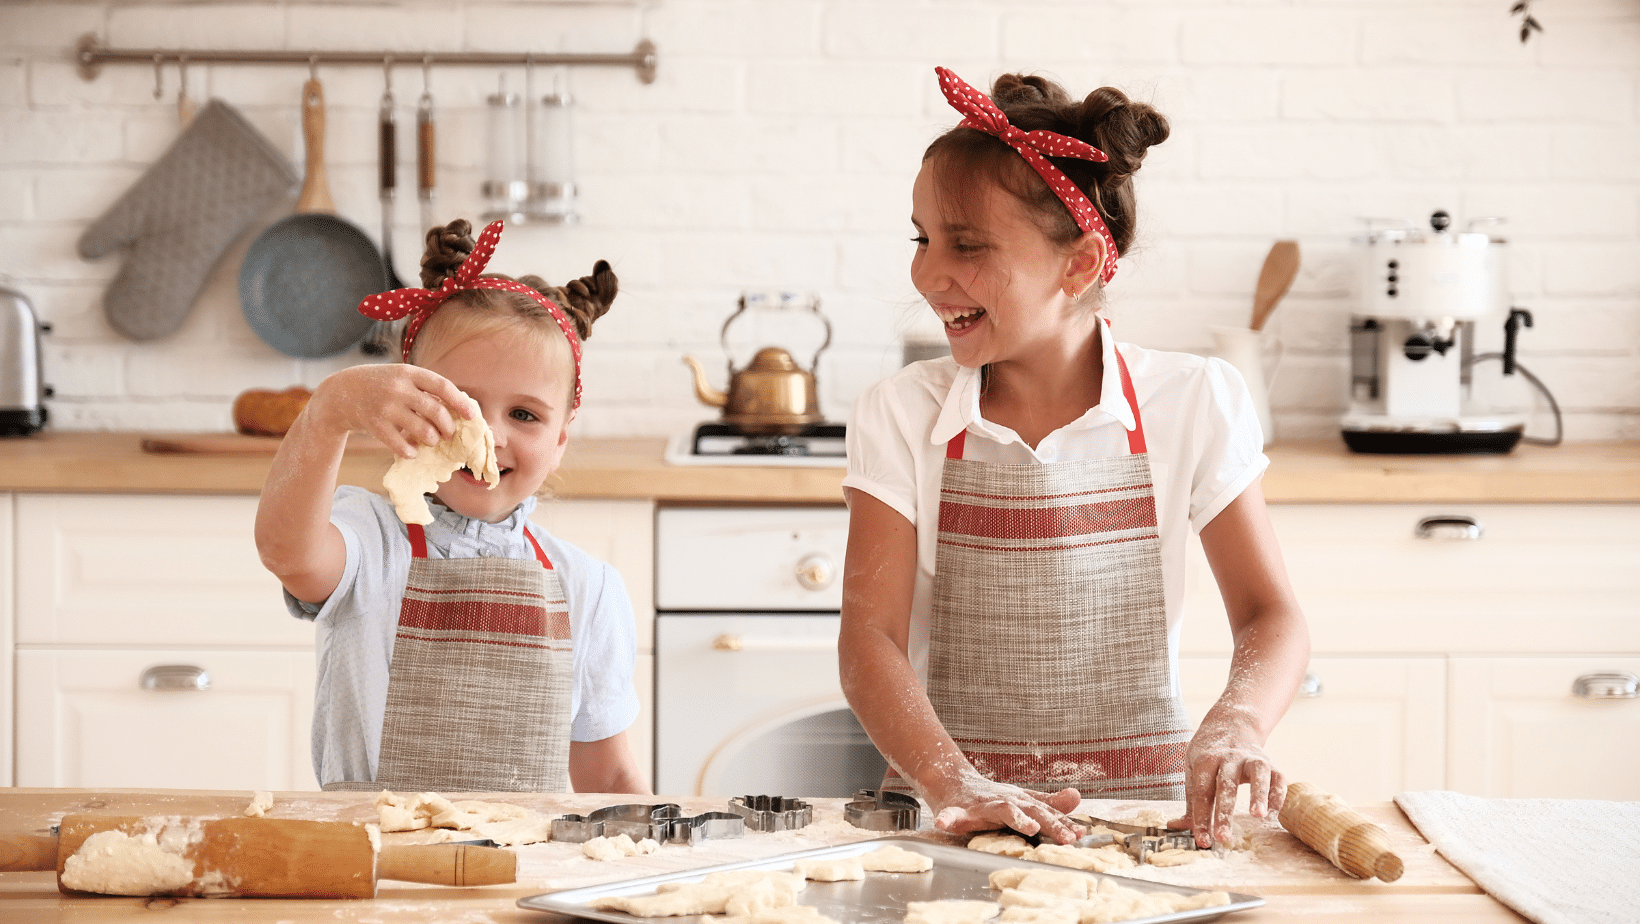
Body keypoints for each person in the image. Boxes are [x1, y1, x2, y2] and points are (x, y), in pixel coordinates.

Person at [838, 67, 1310, 849]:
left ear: (1079, 264)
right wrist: (954, 785)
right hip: (950, 825)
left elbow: (1271, 614)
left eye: (968, 245)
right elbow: (869, 639)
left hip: (1147, 826)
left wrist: (1239, 725)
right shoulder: (899, 413)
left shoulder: (1193, 401)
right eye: (922, 238)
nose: (926, 273)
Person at [254, 218, 648, 795]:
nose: (487, 432)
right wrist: (328, 411)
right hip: (376, 856)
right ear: (407, 402)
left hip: (523, 866)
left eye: (525, 415)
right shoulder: (368, 539)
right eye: (458, 403)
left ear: (561, 439)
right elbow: (287, 552)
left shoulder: (587, 587)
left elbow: (607, 774)